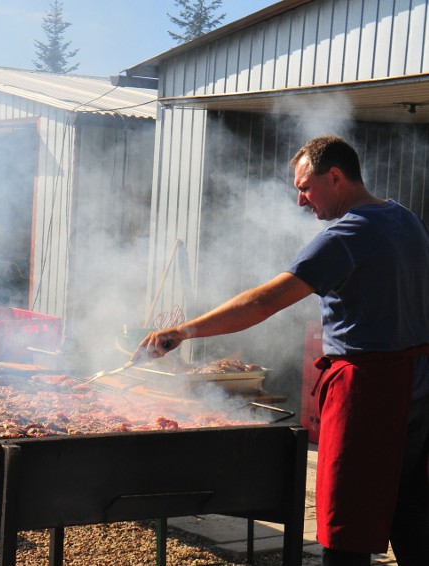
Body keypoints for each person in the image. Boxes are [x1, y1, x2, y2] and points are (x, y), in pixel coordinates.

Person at [135, 135, 429, 566]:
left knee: (345, 522)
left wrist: (182, 331)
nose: (299, 200)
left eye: (305, 187)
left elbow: (263, 302)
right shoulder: (405, 219)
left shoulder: (345, 236)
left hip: (368, 395)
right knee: (410, 510)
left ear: (335, 177)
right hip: (418, 390)